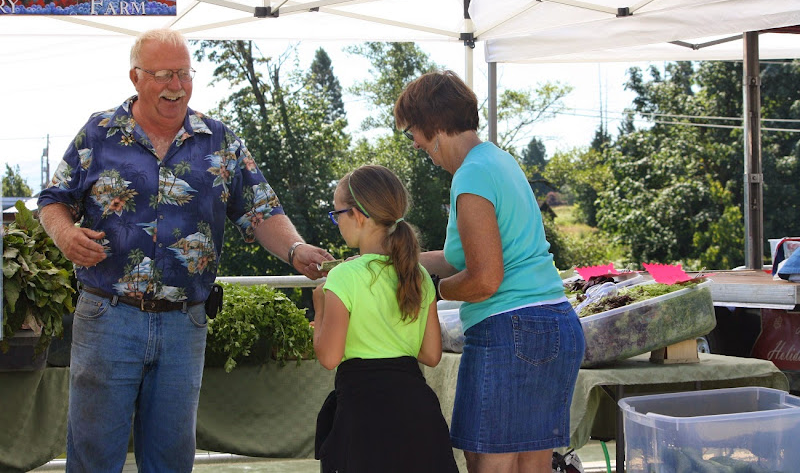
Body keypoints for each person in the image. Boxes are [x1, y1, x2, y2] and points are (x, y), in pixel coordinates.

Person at [37, 28, 333, 473]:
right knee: (94, 457)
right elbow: (54, 200)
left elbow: (261, 211)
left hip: (185, 324)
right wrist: (65, 235)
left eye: (184, 74)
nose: (176, 86)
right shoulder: (98, 133)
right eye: (163, 75)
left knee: (172, 461)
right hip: (108, 317)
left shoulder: (220, 141)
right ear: (135, 77)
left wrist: (294, 249)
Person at [394, 70, 586, 473]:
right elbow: (462, 256)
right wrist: (392, 261)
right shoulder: (496, 160)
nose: (414, 143)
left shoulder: (472, 175)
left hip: (512, 329)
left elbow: (484, 279)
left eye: (413, 131)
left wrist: (431, 289)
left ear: (435, 125)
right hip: (552, 322)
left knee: (488, 463)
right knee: (531, 465)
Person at [311, 164, 459, 473]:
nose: (336, 221)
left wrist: (320, 306)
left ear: (359, 216)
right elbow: (430, 355)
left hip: (364, 420)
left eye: (337, 214)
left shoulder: (342, 277)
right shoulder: (417, 274)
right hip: (419, 416)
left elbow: (329, 357)